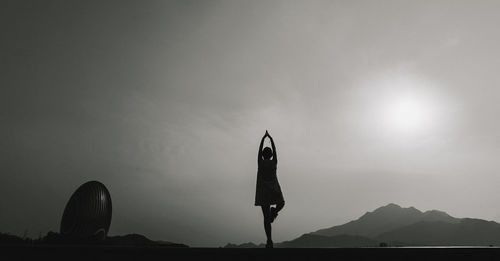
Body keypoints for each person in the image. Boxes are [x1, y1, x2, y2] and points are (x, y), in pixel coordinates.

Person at [255, 130, 285, 248]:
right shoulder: (274, 162)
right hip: (273, 189)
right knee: (281, 203)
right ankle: (275, 212)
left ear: (262, 155)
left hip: (263, 192)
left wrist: (263, 139)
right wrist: (271, 139)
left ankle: (269, 240)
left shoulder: (260, 163)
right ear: (271, 155)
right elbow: (275, 151)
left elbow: (258, 152)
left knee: (266, 218)